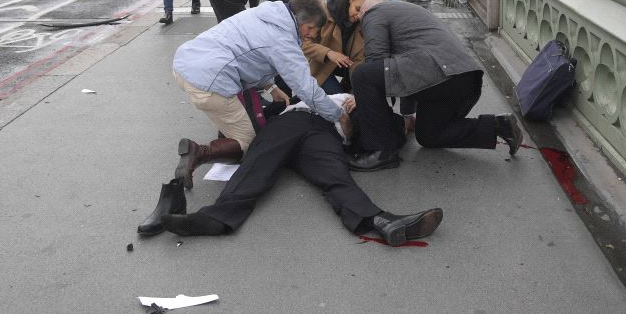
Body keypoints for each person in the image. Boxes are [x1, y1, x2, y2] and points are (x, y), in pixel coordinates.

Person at [158, 98, 443, 247]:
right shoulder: (329, 94)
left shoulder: (361, 114)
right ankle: (214, 219)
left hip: (324, 135)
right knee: (258, 166)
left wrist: (351, 121)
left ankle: (381, 221)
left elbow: (370, 132)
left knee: (336, 177)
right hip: (292, 121)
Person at [169, 0, 351, 190]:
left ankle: (226, 131)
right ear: (301, 20)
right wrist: (339, 116)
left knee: (236, 117)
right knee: (248, 142)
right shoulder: (283, 40)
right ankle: (199, 152)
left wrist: (271, 87)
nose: (312, 36)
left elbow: (251, 54)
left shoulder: (266, 14)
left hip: (185, 64)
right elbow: (306, 88)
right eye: (311, 29)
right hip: (209, 81)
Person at [347, 0, 523, 171]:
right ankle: (498, 125)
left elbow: (376, 60)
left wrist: (363, 97)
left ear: (364, 11)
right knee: (429, 136)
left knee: (363, 74)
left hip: (440, 73)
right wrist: (407, 115)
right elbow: (401, 71)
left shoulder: (373, 12)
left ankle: (381, 151)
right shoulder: (405, 13)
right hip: (462, 78)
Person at [302, 0, 378, 93]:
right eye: (357, 9)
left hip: (345, 65)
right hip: (319, 64)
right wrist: (328, 53)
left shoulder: (363, 23)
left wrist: (358, 91)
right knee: (338, 102)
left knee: (352, 99)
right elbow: (302, 43)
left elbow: (358, 59)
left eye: (364, 13)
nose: (359, 16)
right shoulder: (323, 11)